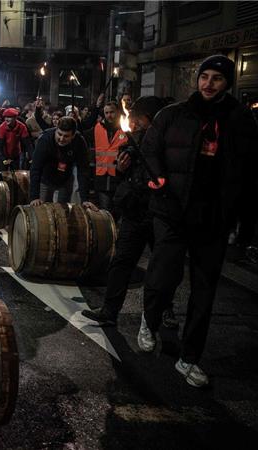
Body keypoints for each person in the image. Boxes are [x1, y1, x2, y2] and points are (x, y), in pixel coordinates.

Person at [137, 55, 258, 387]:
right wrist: (159, 180)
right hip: (173, 211)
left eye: (216, 78)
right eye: (204, 76)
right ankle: (149, 318)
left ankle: (189, 358)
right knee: (163, 275)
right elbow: (150, 149)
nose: (208, 83)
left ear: (227, 83)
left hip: (214, 218)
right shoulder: (173, 114)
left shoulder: (243, 120)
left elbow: (256, 168)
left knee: (204, 293)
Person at [82, 96, 174, 327]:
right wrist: (122, 168)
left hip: (160, 212)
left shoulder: (169, 141)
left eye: (138, 118)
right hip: (135, 210)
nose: (134, 122)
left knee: (163, 265)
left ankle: (166, 310)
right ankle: (109, 311)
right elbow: (126, 172)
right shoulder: (134, 140)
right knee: (121, 261)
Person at [29, 117, 95, 210]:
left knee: (63, 212)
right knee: (41, 211)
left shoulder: (79, 141)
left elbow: (83, 170)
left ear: (73, 135)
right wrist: (34, 197)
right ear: (56, 130)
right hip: (45, 179)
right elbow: (35, 168)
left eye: (66, 136)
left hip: (65, 179)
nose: (61, 139)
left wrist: (85, 199)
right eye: (59, 134)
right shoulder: (45, 139)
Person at [86, 101, 128, 213]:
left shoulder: (125, 128)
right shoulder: (97, 128)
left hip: (119, 176)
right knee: (105, 212)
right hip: (102, 177)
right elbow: (83, 130)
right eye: (106, 112)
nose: (109, 115)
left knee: (119, 210)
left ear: (118, 112)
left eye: (112, 112)